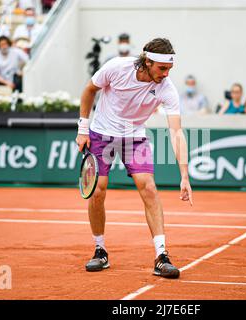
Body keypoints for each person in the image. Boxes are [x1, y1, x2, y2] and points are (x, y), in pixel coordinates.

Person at [75, 38, 193, 279]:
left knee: (148, 188)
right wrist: (83, 128)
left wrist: (184, 175)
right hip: (101, 133)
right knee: (98, 190)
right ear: (147, 61)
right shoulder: (117, 67)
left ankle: (161, 256)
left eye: (169, 68)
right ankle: (100, 250)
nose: (166, 74)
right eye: (162, 68)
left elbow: (176, 132)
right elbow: (89, 90)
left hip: (134, 137)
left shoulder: (167, 88)